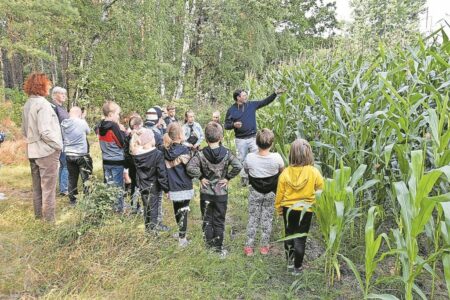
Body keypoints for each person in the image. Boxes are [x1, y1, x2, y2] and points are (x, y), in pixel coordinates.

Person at [187, 122, 242, 256]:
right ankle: (218, 248)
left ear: (205, 139)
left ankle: (208, 247)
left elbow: (189, 167)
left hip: (206, 192)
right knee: (219, 221)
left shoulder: (200, 154)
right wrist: (227, 177)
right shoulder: (227, 153)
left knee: (207, 220)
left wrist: (200, 177)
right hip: (221, 193)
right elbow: (238, 166)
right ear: (221, 137)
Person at [275, 138, 324, 275]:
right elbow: (321, 189)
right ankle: (298, 267)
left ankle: (289, 263)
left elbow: (280, 194)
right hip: (306, 210)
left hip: (288, 209)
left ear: (291, 154)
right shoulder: (314, 172)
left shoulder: (285, 173)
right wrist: (317, 205)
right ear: (308, 154)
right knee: (300, 239)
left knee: (289, 235)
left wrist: (279, 209)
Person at [22, 73, 62, 222]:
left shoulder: (28, 104)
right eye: (48, 84)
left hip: (32, 151)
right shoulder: (43, 104)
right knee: (49, 189)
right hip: (46, 151)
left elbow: (24, 131)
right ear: (42, 86)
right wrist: (57, 145)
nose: (49, 87)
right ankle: (49, 222)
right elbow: (45, 131)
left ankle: (39, 218)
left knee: (37, 188)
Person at [224, 88, 285, 186]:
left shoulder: (251, 105)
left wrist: (275, 94)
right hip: (240, 140)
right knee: (242, 159)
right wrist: (234, 125)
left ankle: (255, 178)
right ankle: (244, 179)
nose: (246, 97)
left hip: (253, 138)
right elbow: (226, 125)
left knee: (257, 157)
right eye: (243, 95)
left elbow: (265, 102)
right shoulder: (231, 110)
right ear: (238, 98)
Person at [243, 128, 284, 256]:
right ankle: (264, 247)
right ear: (271, 143)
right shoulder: (277, 158)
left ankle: (249, 247)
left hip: (255, 191)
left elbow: (246, 170)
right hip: (271, 193)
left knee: (253, 218)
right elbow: (282, 172)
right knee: (267, 218)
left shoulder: (250, 157)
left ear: (256, 143)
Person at [130, 127, 169, 233]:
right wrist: (166, 189)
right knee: (154, 209)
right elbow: (162, 173)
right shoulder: (157, 154)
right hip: (154, 186)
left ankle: (148, 229)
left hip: (142, 185)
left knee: (146, 207)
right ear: (150, 140)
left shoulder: (136, 155)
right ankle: (152, 233)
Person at [163, 122, 194, 247]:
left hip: (173, 186)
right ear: (181, 135)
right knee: (184, 211)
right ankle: (182, 239)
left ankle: (180, 232)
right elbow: (191, 169)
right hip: (184, 185)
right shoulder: (185, 150)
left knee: (177, 210)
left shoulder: (165, 150)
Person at [98, 101, 126, 213]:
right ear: (110, 114)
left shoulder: (100, 125)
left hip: (106, 160)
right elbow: (122, 143)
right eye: (117, 114)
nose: (118, 116)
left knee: (109, 185)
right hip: (117, 160)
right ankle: (118, 209)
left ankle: (109, 206)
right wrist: (123, 132)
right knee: (118, 186)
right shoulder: (114, 126)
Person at [61, 106, 93, 205]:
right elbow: (88, 131)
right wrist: (83, 118)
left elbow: (62, 136)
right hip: (81, 154)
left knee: (72, 177)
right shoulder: (81, 122)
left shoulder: (63, 123)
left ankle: (73, 200)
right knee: (86, 177)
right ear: (79, 114)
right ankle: (88, 199)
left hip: (69, 154)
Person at [50, 86, 69, 196]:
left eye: (64, 94)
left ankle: (63, 188)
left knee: (63, 165)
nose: (64, 96)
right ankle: (64, 189)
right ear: (55, 95)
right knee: (65, 164)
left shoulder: (62, 108)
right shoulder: (53, 107)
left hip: (65, 139)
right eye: (62, 94)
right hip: (59, 139)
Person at [123, 113, 142, 213]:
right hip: (135, 163)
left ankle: (135, 205)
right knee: (136, 185)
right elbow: (127, 151)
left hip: (133, 163)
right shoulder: (130, 135)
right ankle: (135, 206)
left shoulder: (129, 135)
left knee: (136, 184)